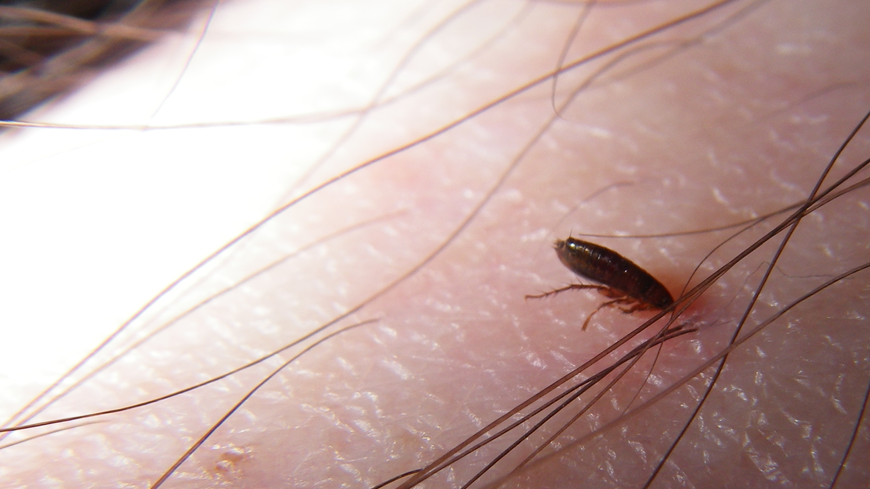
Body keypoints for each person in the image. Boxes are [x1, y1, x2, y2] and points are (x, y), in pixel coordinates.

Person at [1, 0, 868, 486]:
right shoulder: (639, 290)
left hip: (608, 267)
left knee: (586, 280)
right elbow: (615, 283)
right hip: (604, 265)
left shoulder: (644, 290)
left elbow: (621, 284)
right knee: (583, 281)